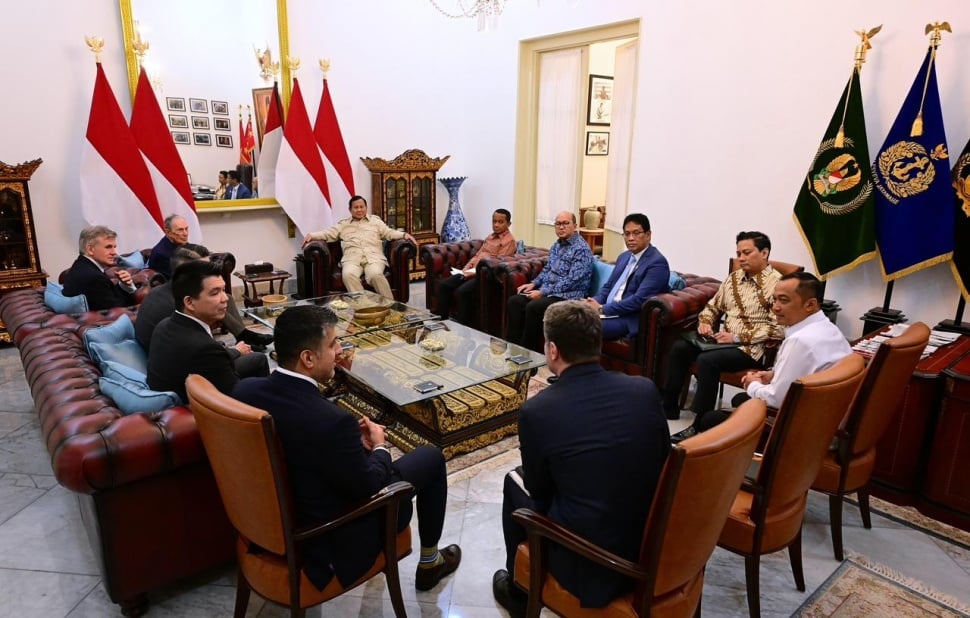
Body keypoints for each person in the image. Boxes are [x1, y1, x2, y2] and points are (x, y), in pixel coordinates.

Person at [231, 305, 461, 593]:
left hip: (266, 523)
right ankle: (430, 562)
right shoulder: (333, 421)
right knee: (431, 458)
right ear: (308, 358)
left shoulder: (245, 391)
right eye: (333, 343)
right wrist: (379, 447)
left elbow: (305, 444)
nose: (340, 350)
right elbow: (368, 486)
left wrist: (351, 447)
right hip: (328, 535)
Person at [493, 301, 670, 615]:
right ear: (598, 343)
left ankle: (521, 592)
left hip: (595, 565)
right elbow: (662, 459)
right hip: (657, 541)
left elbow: (540, 492)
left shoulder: (539, 411)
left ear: (552, 351)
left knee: (513, 482)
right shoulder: (644, 389)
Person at [664, 230, 784, 438]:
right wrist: (705, 323)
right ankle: (668, 407)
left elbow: (778, 328)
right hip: (721, 342)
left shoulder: (777, 285)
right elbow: (713, 307)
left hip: (750, 348)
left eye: (747, 253)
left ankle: (701, 424)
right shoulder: (734, 278)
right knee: (680, 347)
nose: (741, 258)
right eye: (739, 254)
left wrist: (737, 337)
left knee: (707, 360)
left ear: (764, 253)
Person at [696, 272, 852, 431]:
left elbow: (776, 400)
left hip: (801, 428)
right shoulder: (828, 328)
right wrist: (773, 375)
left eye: (784, 300)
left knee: (710, 420)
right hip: (825, 413)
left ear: (810, 305)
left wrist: (752, 384)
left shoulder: (800, 341)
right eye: (774, 300)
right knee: (741, 399)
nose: (775, 307)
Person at [147, 260, 268, 403]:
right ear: (189, 302)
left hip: (189, 388)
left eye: (223, 290)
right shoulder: (204, 348)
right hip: (194, 412)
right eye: (215, 293)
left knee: (257, 358)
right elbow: (234, 399)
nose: (225, 299)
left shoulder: (164, 324)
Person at [136, 245, 272, 367]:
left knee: (225, 299)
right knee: (257, 360)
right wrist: (236, 351)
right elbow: (202, 352)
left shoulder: (169, 291)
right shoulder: (178, 307)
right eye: (204, 269)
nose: (210, 272)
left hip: (182, 355)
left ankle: (244, 334)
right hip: (181, 365)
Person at [505, 211, 594, 352]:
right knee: (514, 302)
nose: (561, 227)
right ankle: (512, 349)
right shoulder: (557, 245)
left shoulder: (581, 249)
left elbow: (572, 280)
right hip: (550, 291)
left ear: (575, 226)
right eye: (558, 224)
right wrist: (534, 283)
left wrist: (543, 292)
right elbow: (547, 270)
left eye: (566, 223)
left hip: (570, 295)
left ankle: (529, 354)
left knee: (534, 307)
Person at [301, 195, 417, 300]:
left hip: (373, 258)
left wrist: (404, 235)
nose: (359, 210)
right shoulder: (343, 225)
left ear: (366, 208)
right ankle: (364, 308)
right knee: (348, 275)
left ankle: (392, 307)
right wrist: (312, 235)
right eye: (356, 207)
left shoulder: (376, 222)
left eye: (362, 207)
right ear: (350, 210)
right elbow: (328, 234)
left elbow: (388, 232)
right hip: (352, 259)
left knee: (375, 275)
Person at [583, 213, 670, 340]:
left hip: (627, 317)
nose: (630, 238)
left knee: (582, 326)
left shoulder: (657, 263)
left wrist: (602, 309)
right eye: (627, 234)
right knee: (567, 316)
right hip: (608, 311)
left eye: (636, 233)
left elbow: (638, 300)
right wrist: (593, 303)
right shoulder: (624, 257)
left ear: (648, 235)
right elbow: (608, 288)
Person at [436, 208, 516, 324]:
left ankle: (464, 328)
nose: (496, 225)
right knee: (444, 285)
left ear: (508, 224)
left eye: (500, 222)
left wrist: (471, 273)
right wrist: (465, 269)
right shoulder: (490, 237)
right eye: (494, 221)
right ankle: (441, 321)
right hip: (471, 272)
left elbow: (496, 265)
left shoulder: (509, 241)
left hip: (485, 276)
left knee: (462, 291)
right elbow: (477, 256)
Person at [62, 225, 138, 310]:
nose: (114, 253)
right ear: (90, 249)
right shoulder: (94, 278)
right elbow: (117, 311)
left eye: (114, 247)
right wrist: (132, 292)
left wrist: (124, 285)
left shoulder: (81, 266)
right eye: (108, 247)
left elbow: (108, 296)